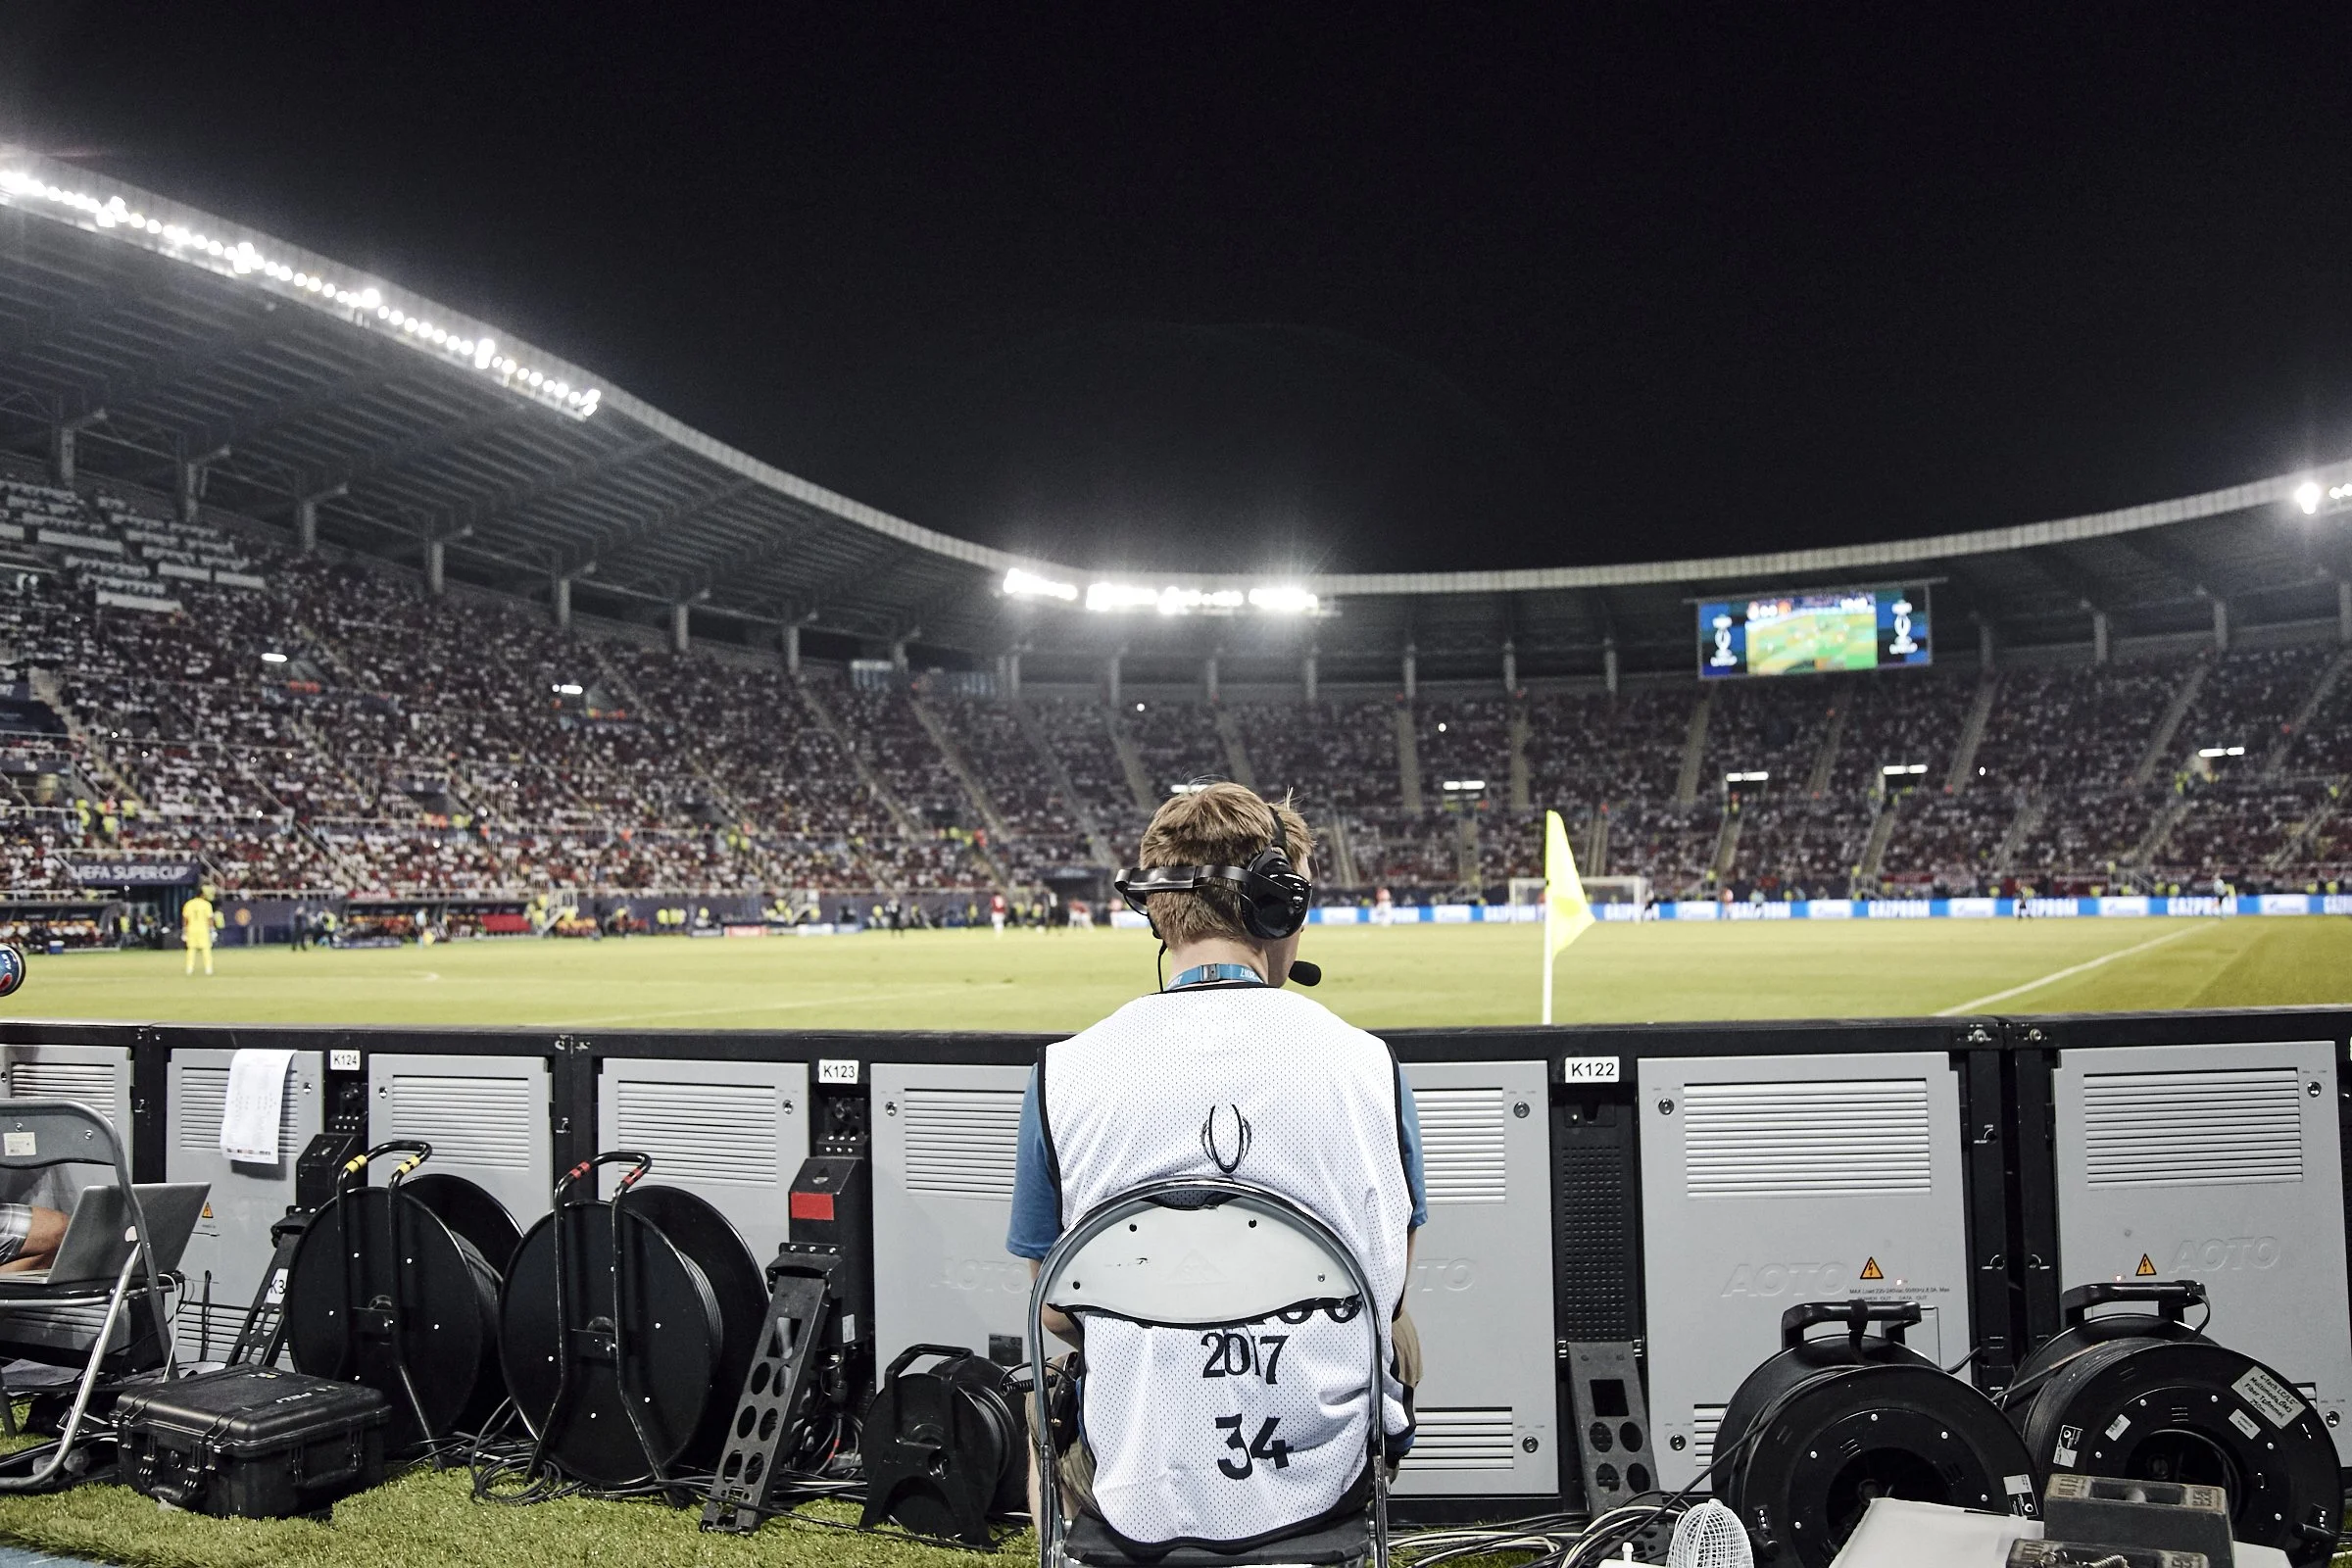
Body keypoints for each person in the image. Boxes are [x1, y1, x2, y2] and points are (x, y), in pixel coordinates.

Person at [1006, 782, 1425, 1551]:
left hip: (1133, 1483)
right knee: (1399, 1332)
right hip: (1321, 1476)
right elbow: (1387, 1289)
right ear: (1279, 906)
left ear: (1157, 908)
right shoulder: (1371, 1067)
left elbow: (1056, 1313)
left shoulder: (1059, 1074)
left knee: (1046, 1393)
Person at [180, 886, 220, 976]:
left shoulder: (189, 904)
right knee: (206, 949)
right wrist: (212, 930)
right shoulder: (206, 904)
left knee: (191, 949)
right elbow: (209, 919)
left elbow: (185, 919)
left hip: (191, 929)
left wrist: (184, 931)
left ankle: (189, 969)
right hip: (203, 930)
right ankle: (208, 968)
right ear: (202, 895)